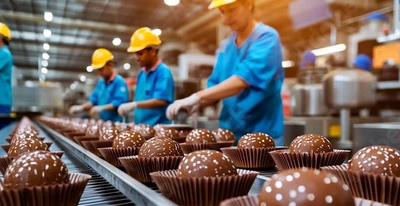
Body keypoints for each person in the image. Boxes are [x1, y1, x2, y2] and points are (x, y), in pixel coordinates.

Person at [166, 0, 284, 145]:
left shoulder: (267, 38)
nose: (226, 17)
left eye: (231, 9)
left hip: (262, 135)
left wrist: (196, 96)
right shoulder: (225, 46)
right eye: (222, 11)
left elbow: (243, 79)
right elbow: (215, 84)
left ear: (249, 4)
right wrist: (197, 103)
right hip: (230, 135)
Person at [117, 27, 175, 125]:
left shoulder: (163, 72)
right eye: (135, 54)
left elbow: (161, 100)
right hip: (141, 127)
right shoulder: (141, 74)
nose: (137, 58)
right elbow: (139, 98)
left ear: (152, 51)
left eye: (140, 53)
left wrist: (134, 105)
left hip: (158, 130)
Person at [69, 48, 129, 122]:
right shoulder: (101, 82)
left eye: (101, 69)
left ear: (109, 65)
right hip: (104, 123)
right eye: (98, 70)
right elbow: (93, 100)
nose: (100, 73)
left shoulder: (119, 82)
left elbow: (119, 102)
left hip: (117, 124)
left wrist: (101, 108)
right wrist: (81, 107)